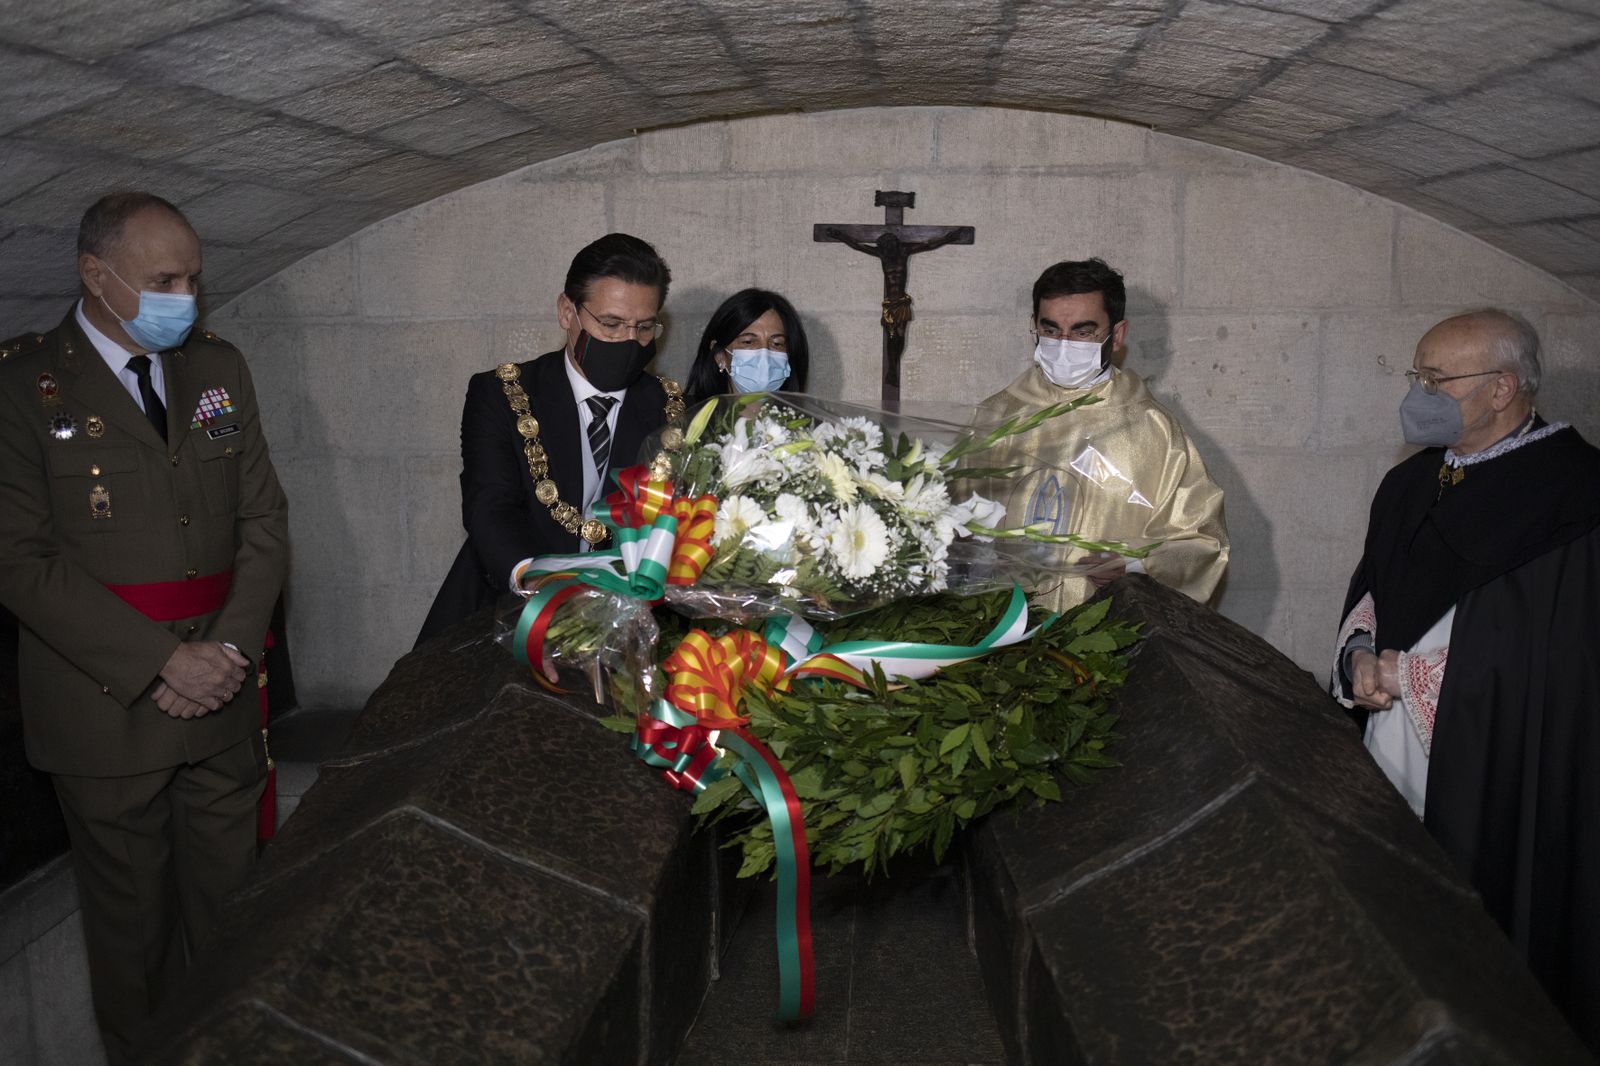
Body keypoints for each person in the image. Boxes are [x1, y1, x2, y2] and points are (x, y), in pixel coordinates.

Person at [0, 192, 289, 1062]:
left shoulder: (218, 367)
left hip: (224, 697)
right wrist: (164, 661)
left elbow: (263, 521)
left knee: (237, 925)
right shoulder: (22, 385)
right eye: (163, 280)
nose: (184, 297)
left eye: (193, 278)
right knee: (134, 948)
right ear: (96, 275)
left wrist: (227, 650)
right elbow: (21, 559)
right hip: (108, 711)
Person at [1331, 309, 1599, 1052]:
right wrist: (1360, 655)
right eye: (1416, 375)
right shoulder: (1412, 480)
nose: (1418, 394)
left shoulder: (1577, 494)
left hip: (1502, 759)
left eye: (1436, 379)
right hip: (1391, 738)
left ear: (1502, 388)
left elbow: (1567, 659)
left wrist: (1418, 675)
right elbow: (1375, 586)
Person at [418, 233, 685, 643]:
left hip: (629, 619)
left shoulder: (672, 409)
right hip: (509, 608)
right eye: (611, 324)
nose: (629, 341)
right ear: (567, 312)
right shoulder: (503, 394)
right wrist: (541, 587)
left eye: (645, 327)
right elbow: (490, 506)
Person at [977, 257, 1228, 612]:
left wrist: (1134, 564)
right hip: (1005, 625)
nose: (1064, 344)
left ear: (1118, 335)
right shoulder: (996, 417)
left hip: (1108, 628)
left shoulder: (1152, 428)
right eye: (1051, 330)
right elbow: (955, 521)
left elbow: (1201, 541)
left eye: (1083, 332)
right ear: (1034, 326)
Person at [684, 288, 810, 403]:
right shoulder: (687, 418)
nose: (764, 356)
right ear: (720, 356)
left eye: (777, 344)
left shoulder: (809, 421)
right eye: (748, 342)